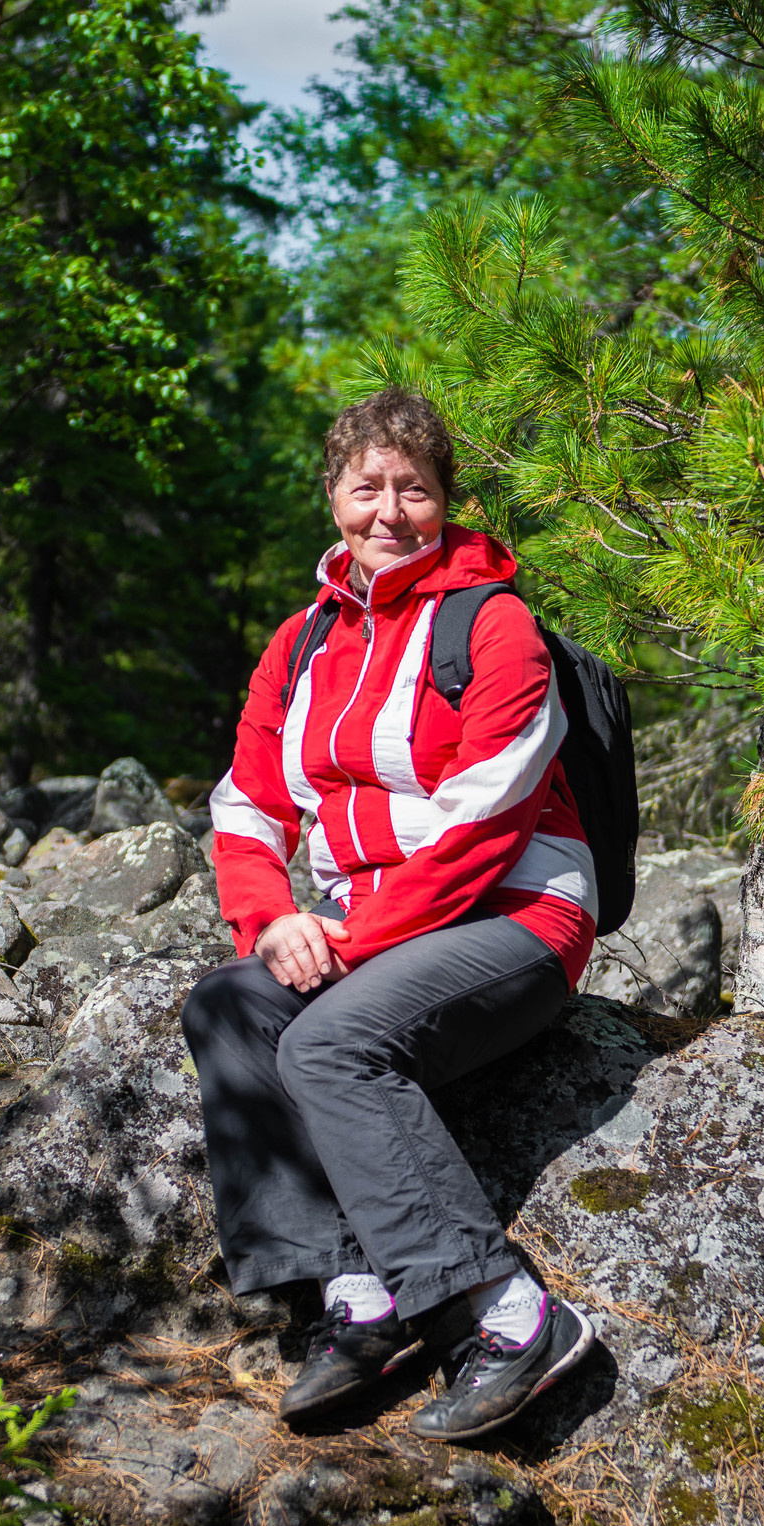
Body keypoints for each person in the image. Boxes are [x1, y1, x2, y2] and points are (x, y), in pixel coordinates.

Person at [181, 387, 598, 1443]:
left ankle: (509, 1312)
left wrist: (348, 942)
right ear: (332, 498)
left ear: (445, 502)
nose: (389, 510)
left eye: (414, 488)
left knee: (327, 1044)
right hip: (364, 922)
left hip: (512, 916)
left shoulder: (494, 625)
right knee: (231, 1005)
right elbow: (247, 803)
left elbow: (483, 819)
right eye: (367, 486)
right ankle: (356, 1300)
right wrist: (269, 918)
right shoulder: (301, 643)